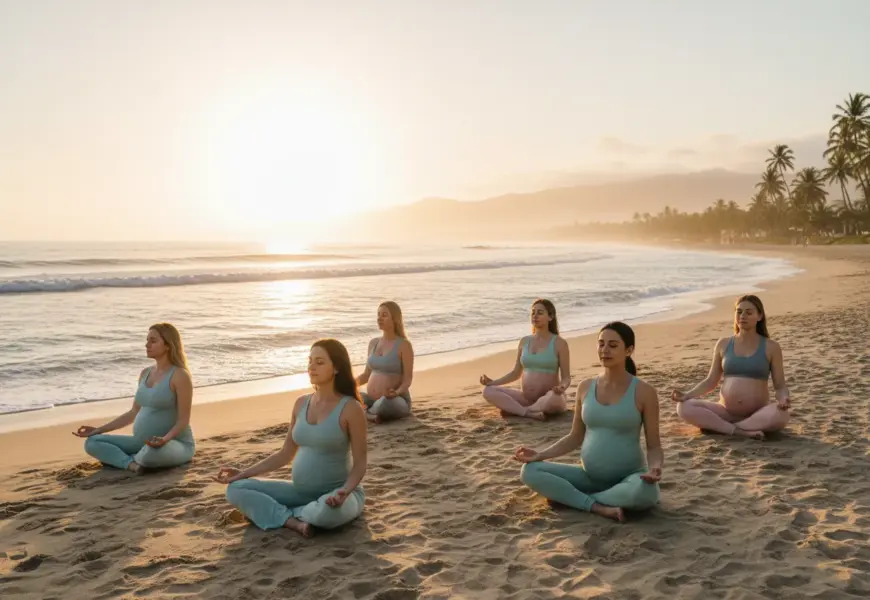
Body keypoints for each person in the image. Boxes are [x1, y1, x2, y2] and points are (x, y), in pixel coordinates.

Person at [216, 339, 367, 537]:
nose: (311, 367)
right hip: (300, 492)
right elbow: (285, 454)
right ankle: (293, 521)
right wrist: (243, 474)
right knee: (235, 489)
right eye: (310, 361)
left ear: (337, 367)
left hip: (338, 495)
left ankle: (282, 513)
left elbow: (360, 464)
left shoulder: (351, 408)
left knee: (325, 514)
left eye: (319, 362)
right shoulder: (301, 403)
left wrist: (345, 491)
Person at [516, 322, 662, 522]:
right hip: (589, 477)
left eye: (612, 345)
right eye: (601, 344)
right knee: (530, 471)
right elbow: (575, 437)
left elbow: (654, 446)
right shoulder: (585, 387)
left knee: (645, 492)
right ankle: (597, 506)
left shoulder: (644, 392)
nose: (605, 350)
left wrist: (655, 468)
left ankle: (577, 499)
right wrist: (541, 455)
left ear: (629, 350)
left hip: (629, 478)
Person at [72, 323, 195, 473]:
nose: (147, 345)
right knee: (92, 442)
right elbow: (133, 412)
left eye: (153, 341)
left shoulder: (180, 375)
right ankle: (132, 464)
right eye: (147, 340)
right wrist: (99, 429)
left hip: (174, 443)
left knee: (151, 454)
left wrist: (165, 439)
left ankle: (123, 459)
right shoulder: (145, 373)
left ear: (168, 345)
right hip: (141, 442)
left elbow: (183, 421)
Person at [671, 294, 790, 440]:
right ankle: (738, 431)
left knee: (782, 414)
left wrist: (783, 398)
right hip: (725, 412)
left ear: (759, 316)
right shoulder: (723, 344)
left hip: (758, 414)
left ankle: (726, 427)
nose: (743, 316)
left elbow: (780, 386)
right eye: (739, 312)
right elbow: (711, 381)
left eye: (749, 312)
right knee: (684, 406)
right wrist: (687, 395)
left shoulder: (771, 347)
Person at [479, 299, 569, 420]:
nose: (535, 316)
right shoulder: (524, 341)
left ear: (550, 317)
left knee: (554, 398)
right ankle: (528, 412)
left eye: (540, 313)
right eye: (533, 313)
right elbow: (515, 373)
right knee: (488, 391)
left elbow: (566, 378)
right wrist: (493, 382)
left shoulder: (559, 343)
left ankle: (517, 410)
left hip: (551, 398)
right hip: (526, 399)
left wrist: (561, 387)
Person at [355, 301, 414, 423]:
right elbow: (366, 375)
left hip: (394, 400)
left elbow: (407, 381)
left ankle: (366, 413)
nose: (379, 318)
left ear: (395, 318)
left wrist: (396, 393)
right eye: (378, 315)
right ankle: (369, 413)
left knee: (384, 403)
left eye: (384, 315)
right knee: (348, 396)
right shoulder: (373, 343)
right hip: (372, 400)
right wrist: (348, 385)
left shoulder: (404, 345)